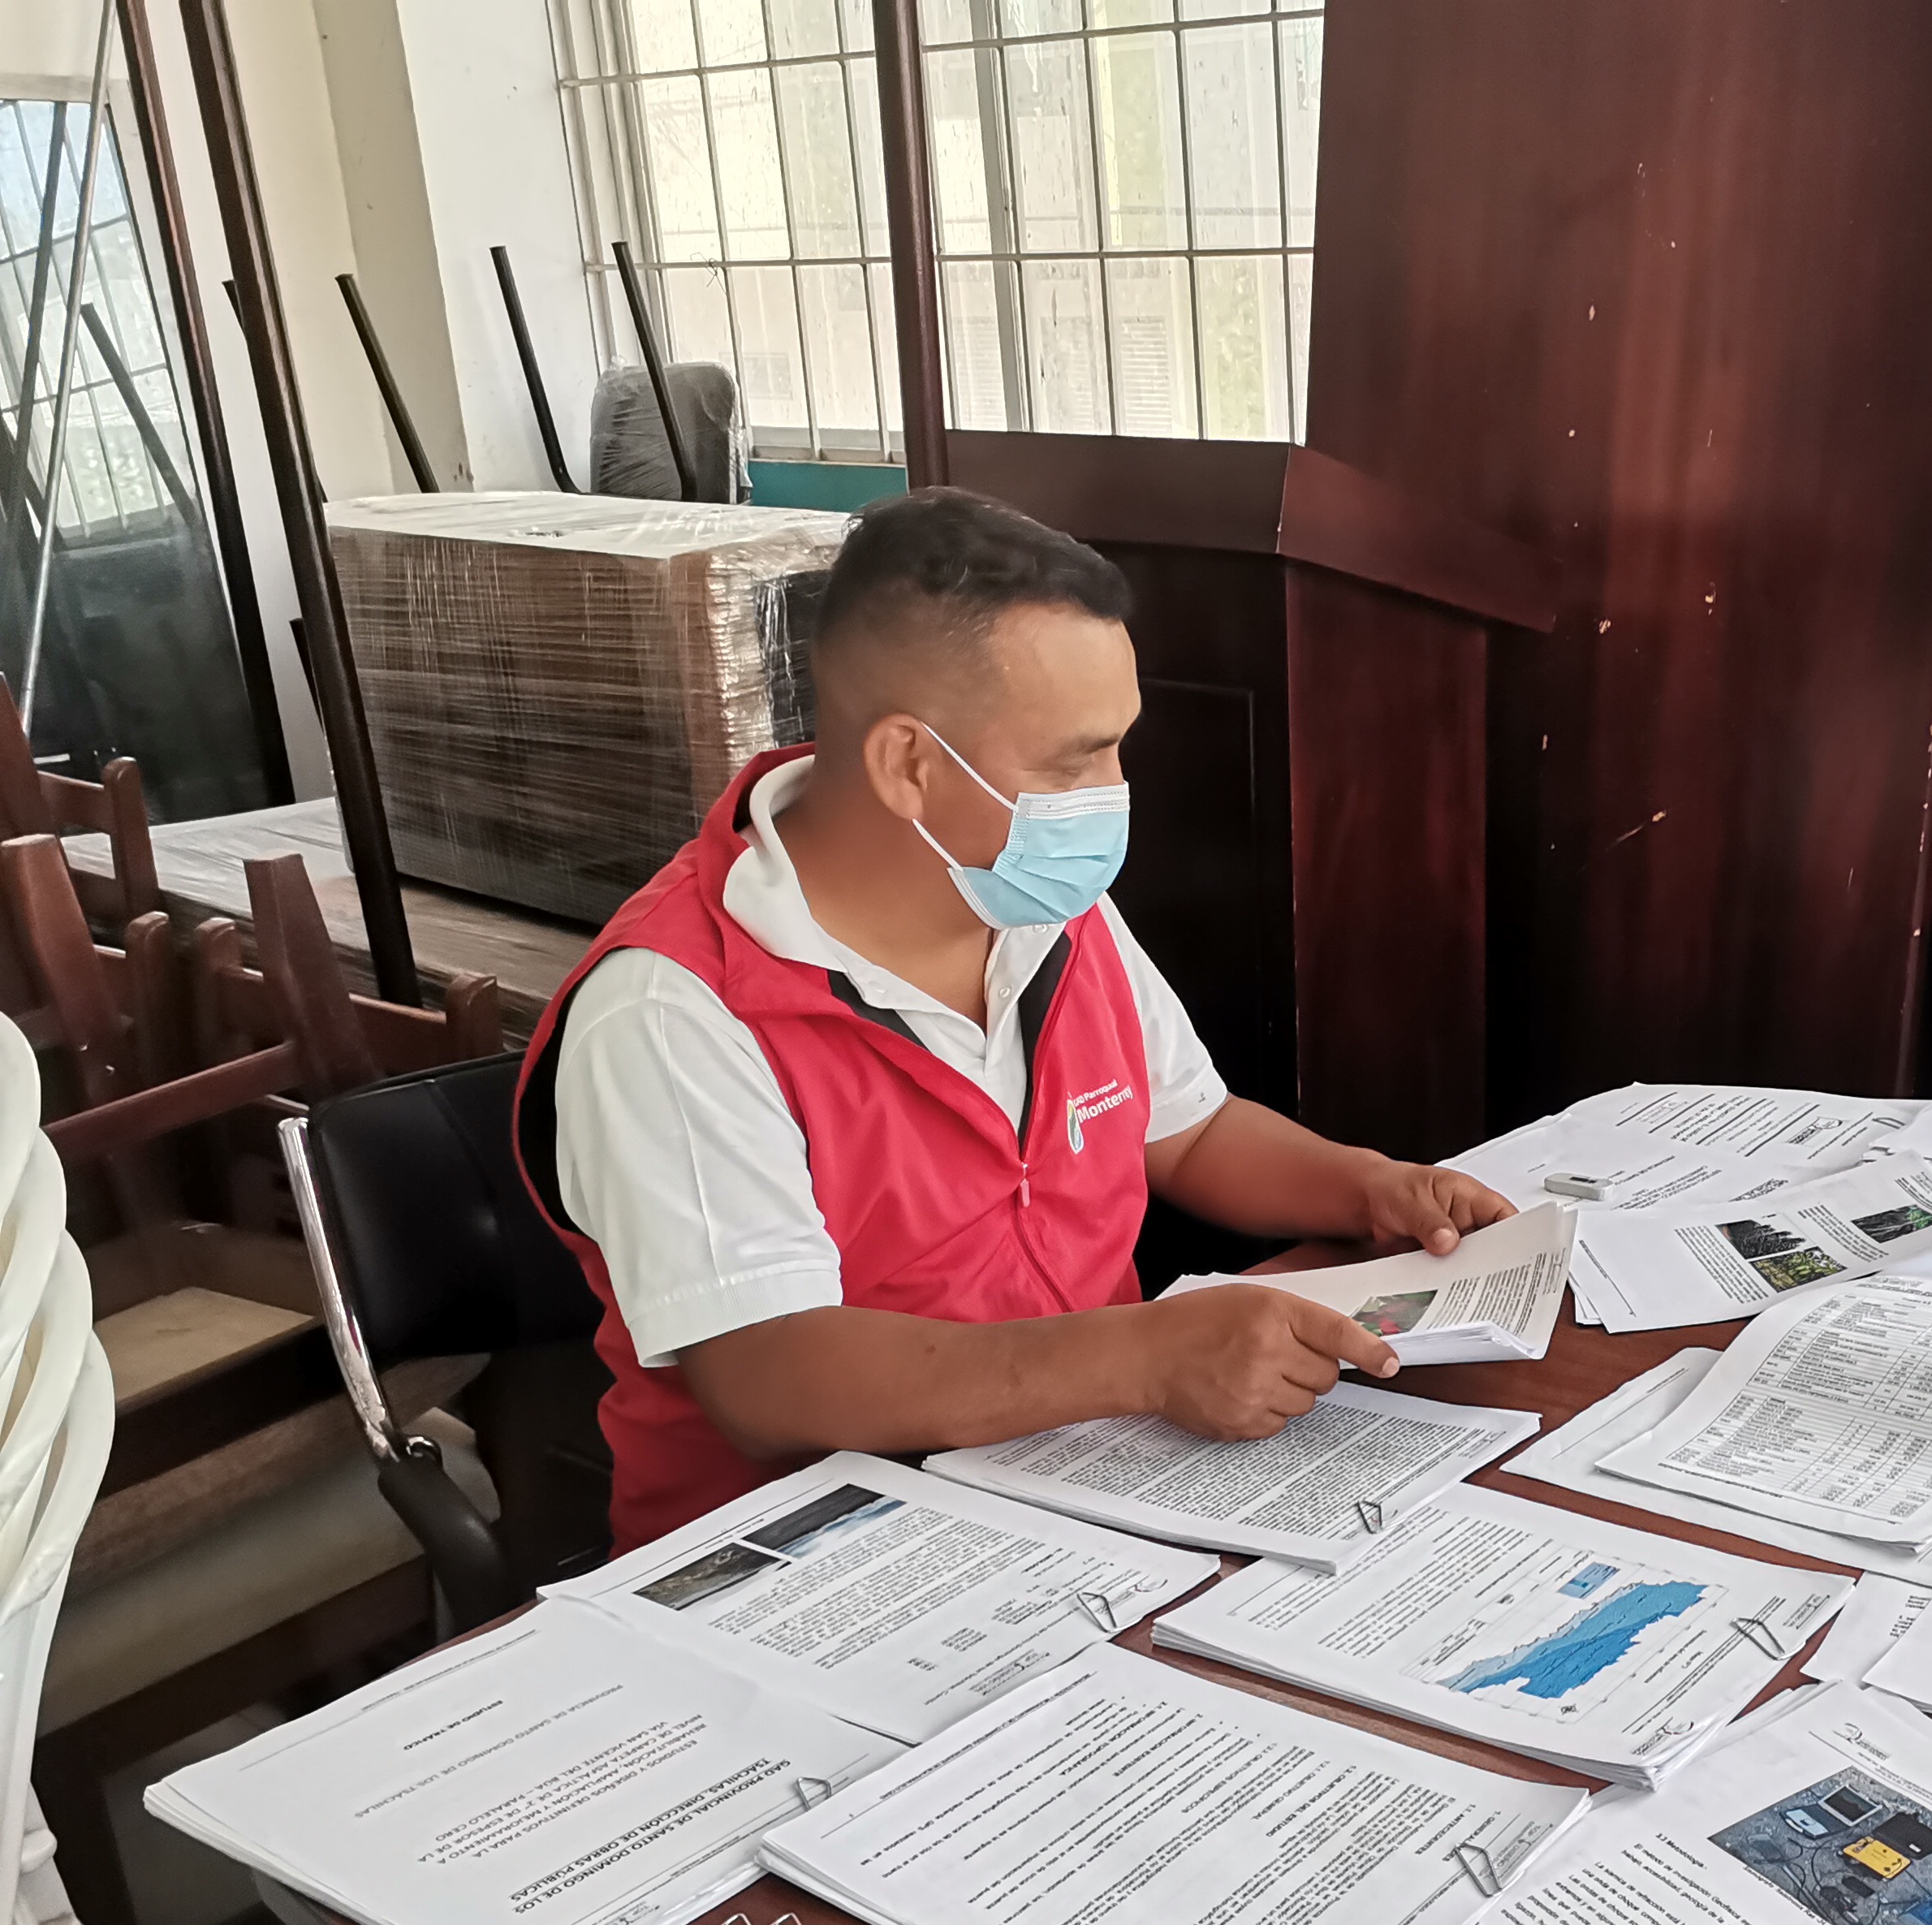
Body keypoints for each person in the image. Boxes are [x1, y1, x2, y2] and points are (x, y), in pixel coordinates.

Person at [515, 486, 1515, 1549]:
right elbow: (767, 1374)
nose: (1112, 791)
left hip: (1083, 1472)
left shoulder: (1037, 902)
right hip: (817, 1553)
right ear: (908, 764)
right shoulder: (674, 1005)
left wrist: (1371, 1187)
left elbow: (1189, 1132)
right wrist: (1146, 1356)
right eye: (1073, 760)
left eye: (1118, 747)